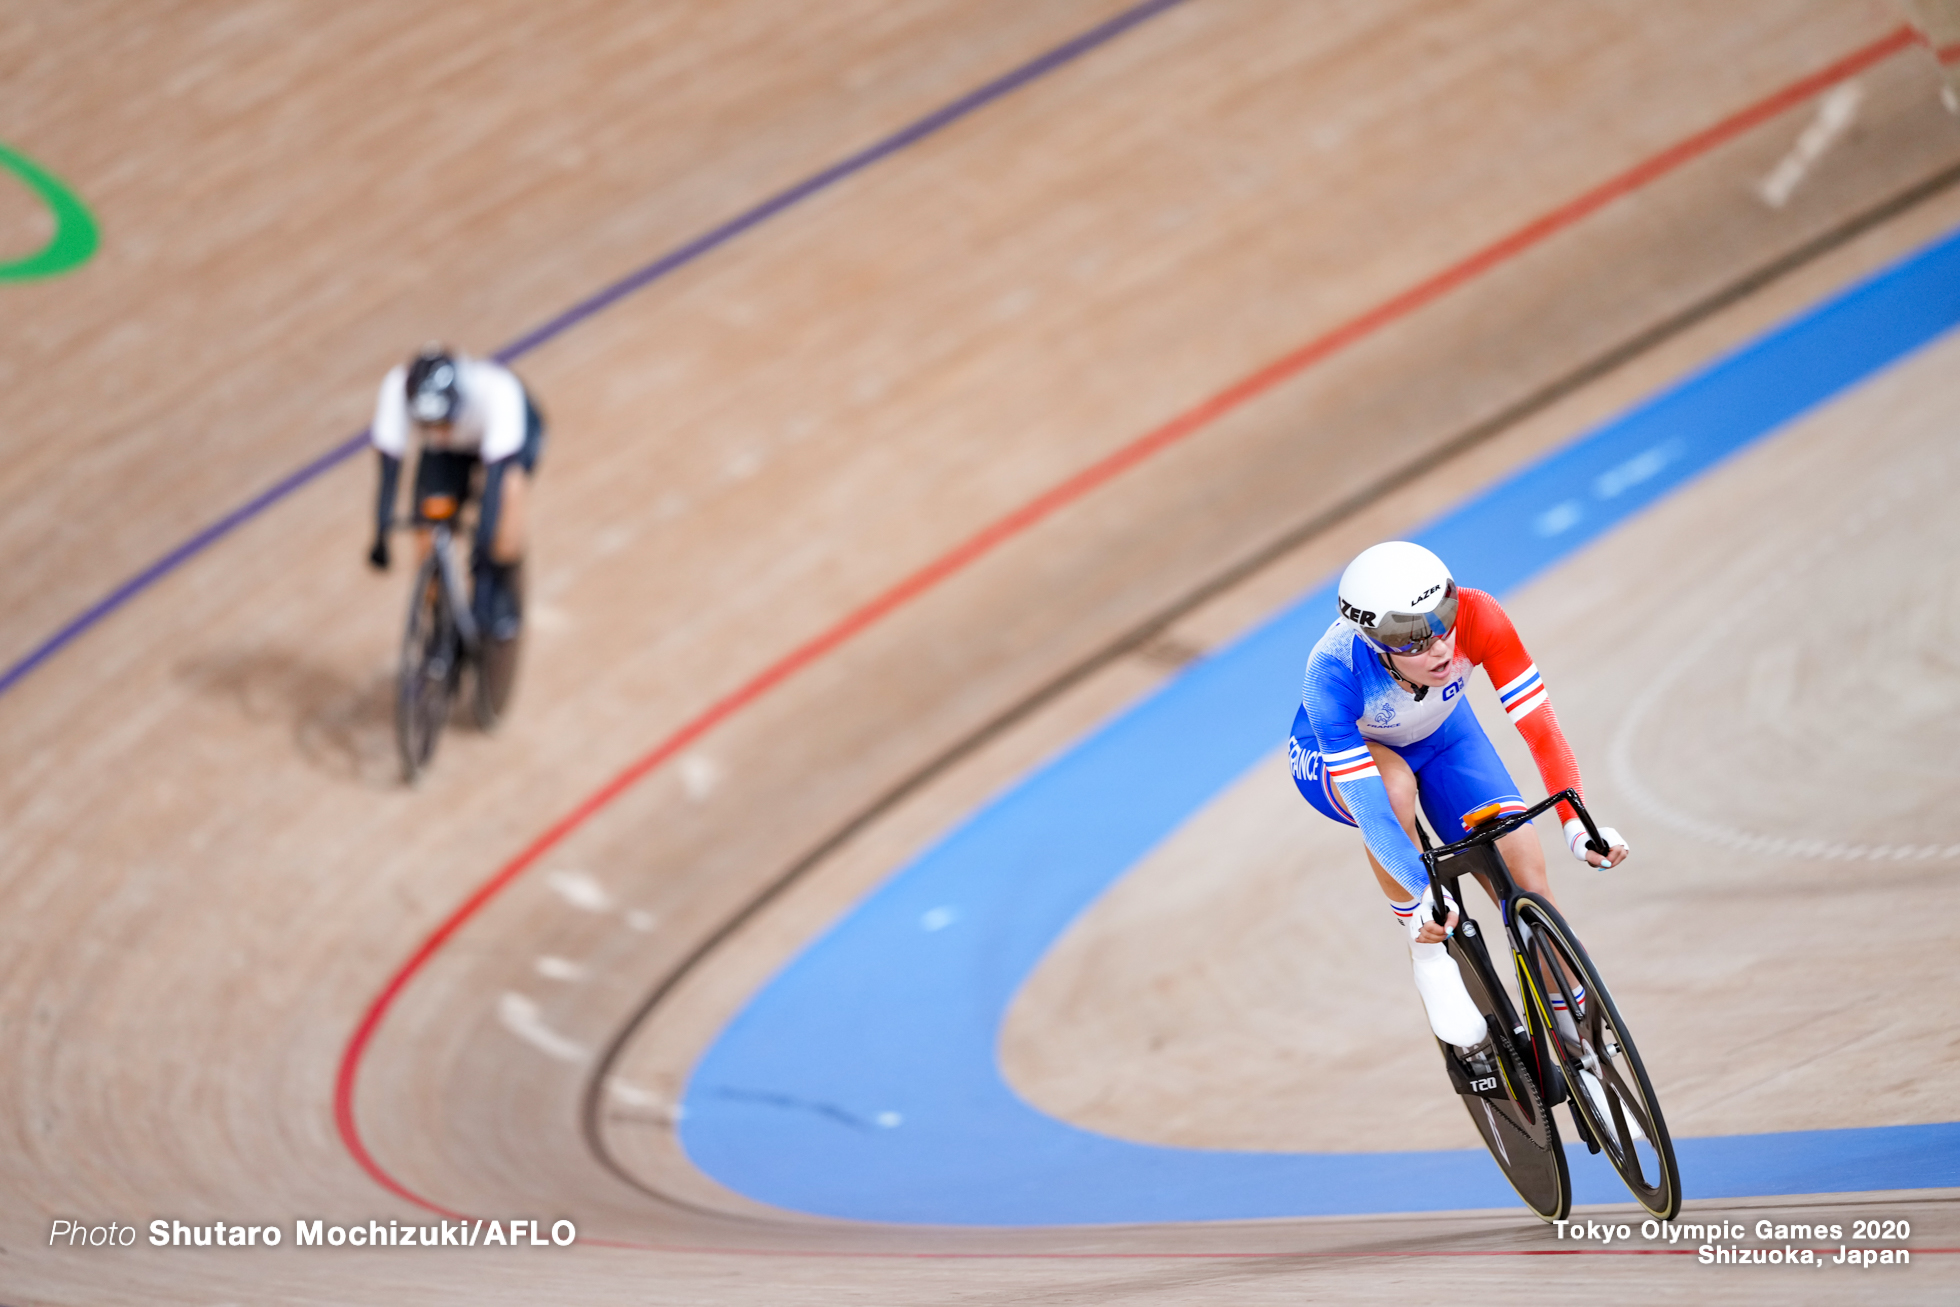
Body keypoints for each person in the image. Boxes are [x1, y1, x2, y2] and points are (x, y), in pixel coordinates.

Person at [1288, 540, 1628, 1060]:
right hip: (1350, 756)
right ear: (1375, 639)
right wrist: (1421, 897)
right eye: (1414, 641)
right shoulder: (1332, 674)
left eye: (1442, 620)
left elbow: (1540, 729)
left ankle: (1582, 1048)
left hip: (1445, 736)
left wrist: (1576, 822)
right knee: (1395, 789)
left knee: (1526, 880)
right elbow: (1374, 810)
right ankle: (1427, 957)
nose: (1441, 650)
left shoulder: (1479, 613)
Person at [366, 345, 544, 643]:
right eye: (428, 425)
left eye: (443, 422)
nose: (438, 430)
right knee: (427, 524)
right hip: (450, 452)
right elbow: (388, 472)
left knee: (505, 503)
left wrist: (484, 566)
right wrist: (381, 535)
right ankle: (439, 621)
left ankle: (499, 589)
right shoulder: (396, 388)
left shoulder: (498, 393)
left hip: (510, 439)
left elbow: (492, 500)